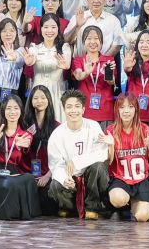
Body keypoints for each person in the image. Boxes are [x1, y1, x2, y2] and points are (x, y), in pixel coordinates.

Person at [48, 89, 113, 219]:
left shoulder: (93, 126)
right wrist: (64, 179)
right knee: (55, 184)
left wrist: (77, 161)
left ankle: (92, 207)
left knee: (98, 167)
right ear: (64, 109)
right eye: (69, 107)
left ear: (83, 109)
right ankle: (68, 207)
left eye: (77, 106)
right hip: (70, 175)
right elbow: (55, 164)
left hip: (90, 175)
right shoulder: (57, 134)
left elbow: (102, 153)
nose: (73, 110)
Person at [0, 91, 43, 219]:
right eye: (9, 108)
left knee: (28, 178)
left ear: (21, 111)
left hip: (13, 172)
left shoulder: (25, 134)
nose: (12, 112)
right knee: (11, 184)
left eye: (16, 108)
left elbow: (27, 142)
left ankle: (20, 212)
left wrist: (21, 145)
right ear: (3, 111)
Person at [105, 94, 149, 221]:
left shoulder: (145, 129)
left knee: (142, 217)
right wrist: (111, 146)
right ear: (117, 110)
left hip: (141, 179)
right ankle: (122, 205)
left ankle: (135, 204)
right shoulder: (111, 130)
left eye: (130, 107)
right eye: (122, 107)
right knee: (118, 199)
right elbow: (109, 162)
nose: (126, 111)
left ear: (136, 109)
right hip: (120, 178)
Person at [25, 15, 70, 119]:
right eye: (46, 27)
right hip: (38, 93)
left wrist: (65, 65)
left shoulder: (64, 47)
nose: (49, 30)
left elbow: (67, 64)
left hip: (57, 92)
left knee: (57, 122)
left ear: (58, 29)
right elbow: (31, 60)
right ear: (41, 29)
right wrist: (29, 61)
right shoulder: (34, 47)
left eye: (53, 27)